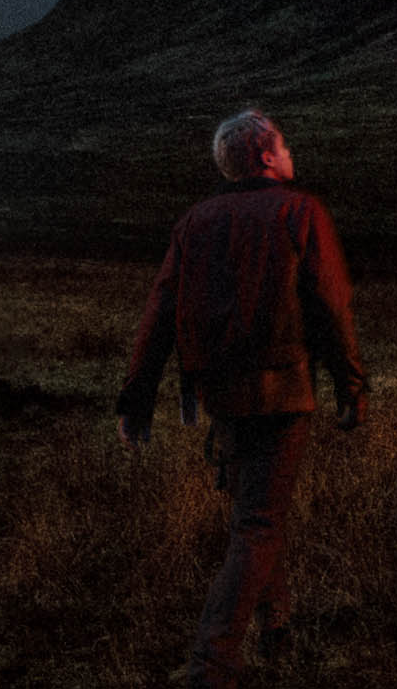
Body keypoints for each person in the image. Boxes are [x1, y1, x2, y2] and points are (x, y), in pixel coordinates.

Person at [115, 108, 368, 688]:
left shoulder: (195, 221)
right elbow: (332, 307)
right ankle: (211, 667)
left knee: (255, 511)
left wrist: (136, 399)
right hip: (282, 392)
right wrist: (350, 385)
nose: (289, 152)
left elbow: (160, 311)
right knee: (257, 522)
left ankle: (276, 628)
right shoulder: (300, 211)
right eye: (283, 144)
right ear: (264, 156)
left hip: (222, 396)